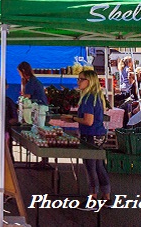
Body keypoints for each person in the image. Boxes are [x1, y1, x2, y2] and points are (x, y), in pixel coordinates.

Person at [61, 70, 111, 204]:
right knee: (99, 166)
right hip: (99, 134)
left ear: (89, 81)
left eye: (80, 79)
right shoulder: (95, 96)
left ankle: (93, 197)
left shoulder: (88, 98)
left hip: (90, 135)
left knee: (91, 167)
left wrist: (72, 118)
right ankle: (106, 196)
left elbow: (88, 121)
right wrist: (74, 119)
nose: (78, 82)